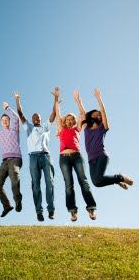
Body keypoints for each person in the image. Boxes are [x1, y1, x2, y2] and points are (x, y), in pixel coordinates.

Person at [75, 89, 133, 189]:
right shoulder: (87, 127)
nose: (99, 115)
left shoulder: (102, 127)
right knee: (96, 183)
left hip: (101, 155)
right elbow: (83, 112)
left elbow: (104, 112)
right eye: (96, 114)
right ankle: (117, 181)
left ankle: (120, 178)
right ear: (91, 116)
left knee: (98, 179)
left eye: (100, 115)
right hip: (91, 159)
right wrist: (78, 101)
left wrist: (99, 98)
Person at [15, 88, 59, 222]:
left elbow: (53, 114)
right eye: (34, 117)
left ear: (40, 119)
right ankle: (39, 212)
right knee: (35, 184)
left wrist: (56, 99)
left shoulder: (46, 126)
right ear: (32, 119)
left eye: (38, 117)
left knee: (49, 182)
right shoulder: (28, 127)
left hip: (45, 156)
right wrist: (17, 100)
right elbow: (20, 113)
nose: (36, 118)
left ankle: (51, 210)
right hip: (33, 157)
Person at [55, 90, 97, 222]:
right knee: (69, 184)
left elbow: (83, 115)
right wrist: (57, 100)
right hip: (64, 158)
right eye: (66, 119)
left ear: (73, 121)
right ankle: (72, 211)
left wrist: (78, 101)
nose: (68, 121)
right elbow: (57, 115)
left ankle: (91, 208)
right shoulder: (61, 130)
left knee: (83, 182)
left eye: (71, 119)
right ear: (64, 121)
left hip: (77, 156)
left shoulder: (77, 129)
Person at [0, 102, 23, 218]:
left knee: (14, 179)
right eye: (3, 120)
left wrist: (7, 108)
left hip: (15, 159)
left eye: (6, 119)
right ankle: (7, 206)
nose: (5, 121)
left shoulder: (14, 130)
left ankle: (18, 201)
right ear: (0, 122)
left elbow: (16, 118)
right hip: (4, 162)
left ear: (9, 121)